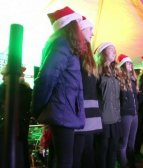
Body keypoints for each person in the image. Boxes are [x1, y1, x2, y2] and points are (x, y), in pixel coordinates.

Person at [31, 7, 85, 168]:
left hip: (63, 109)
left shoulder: (66, 44)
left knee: (59, 158)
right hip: (62, 110)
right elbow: (47, 76)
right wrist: (37, 108)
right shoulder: (62, 43)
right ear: (70, 24)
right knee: (64, 160)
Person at [72, 16, 103, 168]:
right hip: (80, 109)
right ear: (81, 29)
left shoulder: (87, 55)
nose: (92, 33)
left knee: (88, 150)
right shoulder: (75, 52)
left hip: (89, 109)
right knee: (78, 151)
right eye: (90, 29)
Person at [94, 42, 121, 168]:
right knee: (102, 150)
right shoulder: (96, 71)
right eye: (111, 50)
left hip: (115, 118)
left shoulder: (116, 71)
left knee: (113, 149)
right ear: (103, 53)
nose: (114, 52)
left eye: (115, 50)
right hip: (103, 118)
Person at [0, 66, 32, 168]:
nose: (3, 78)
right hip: (21, 135)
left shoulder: (3, 90)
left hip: (5, 134)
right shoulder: (27, 91)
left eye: (4, 75)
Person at [117, 54, 139, 168]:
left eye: (131, 63)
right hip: (125, 114)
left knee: (132, 143)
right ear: (123, 65)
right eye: (128, 63)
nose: (131, 65)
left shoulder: (134, 80)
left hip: (134, 114)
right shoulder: (120, 79)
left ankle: (132, 164)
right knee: (123, 143)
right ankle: (124, 165)